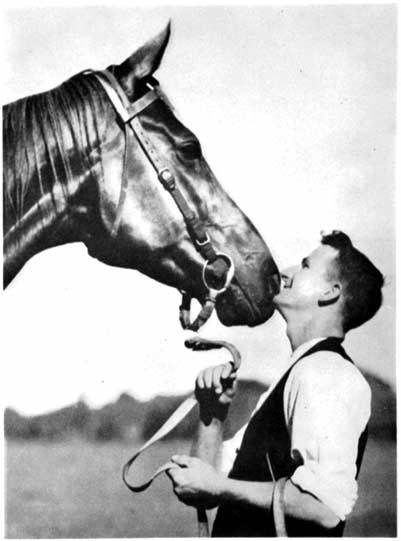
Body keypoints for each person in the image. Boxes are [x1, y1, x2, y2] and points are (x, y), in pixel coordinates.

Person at [167, 230, 384, 537]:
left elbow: (324, 508)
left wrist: (217, 486)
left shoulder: (327, 372)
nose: (288, 271)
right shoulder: (299, 372)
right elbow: (204, 488)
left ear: (330, 293)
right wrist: (212, 415)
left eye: (306, 266)